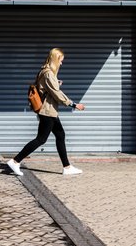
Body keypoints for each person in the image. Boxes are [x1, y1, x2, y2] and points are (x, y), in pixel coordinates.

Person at [7, 48, 85, 176]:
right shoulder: (48, 73)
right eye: (61, 60)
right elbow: (57, 94)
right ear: (55, 59)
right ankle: (15, 161)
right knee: (41, 139)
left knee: (60, 135)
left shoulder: (45, 71)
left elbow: (47, 89)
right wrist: (74, 104)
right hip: (47, 111)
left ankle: (67, 167)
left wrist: (56, 84)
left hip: (50, 111)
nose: (61, 63)